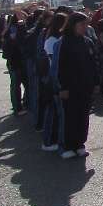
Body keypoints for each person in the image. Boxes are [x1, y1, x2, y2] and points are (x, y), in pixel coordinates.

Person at [57, 12, 99, 159]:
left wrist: (96, 83)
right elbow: (61, 67)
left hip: (86, 85)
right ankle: (68, 145)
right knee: (70, 116)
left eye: (86, 24)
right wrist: (63, 87)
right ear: (73, 25)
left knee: (83, 115)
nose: (85, 27)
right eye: (82, 24)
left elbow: (94, 63)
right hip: (70, 86)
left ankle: (80, 144)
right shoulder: (64, 42)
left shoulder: (87, 41)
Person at [41, 12, 68, 152]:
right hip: (55, 78)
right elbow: (55, 62)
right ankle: (48, 140)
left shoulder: (59, 39)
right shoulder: (51, 41)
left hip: (60, 77)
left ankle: (57, 137)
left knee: (60, 112)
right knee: (53, 111)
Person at [3, 13, 27, 116]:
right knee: (16, 85)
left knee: (17, 85)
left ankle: (19, 106)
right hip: (15, 60)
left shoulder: (11, 29)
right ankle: (18, 108)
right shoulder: (14, 29)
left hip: (14, 60)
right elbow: (18, 42)